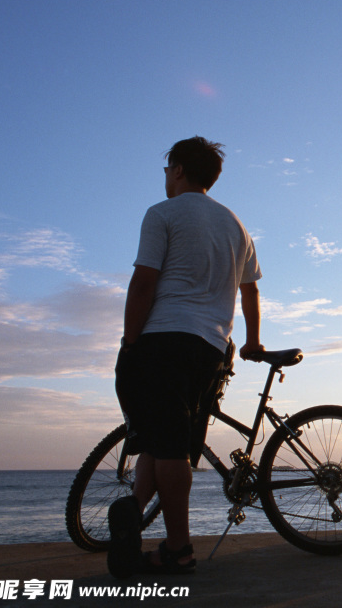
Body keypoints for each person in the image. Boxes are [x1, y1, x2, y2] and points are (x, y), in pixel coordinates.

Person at [108, 136, 264, 578]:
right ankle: (133, 517)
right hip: (213, 347)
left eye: (165, 170)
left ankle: (179, 549)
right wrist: (252, 340)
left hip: (164, 339)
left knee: (172, 446)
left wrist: (130, 339)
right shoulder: (236, 225)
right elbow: (249, 288)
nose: (164, 177)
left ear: (177, 170)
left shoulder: (163, 213)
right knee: (165, 434)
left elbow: (143, 282)